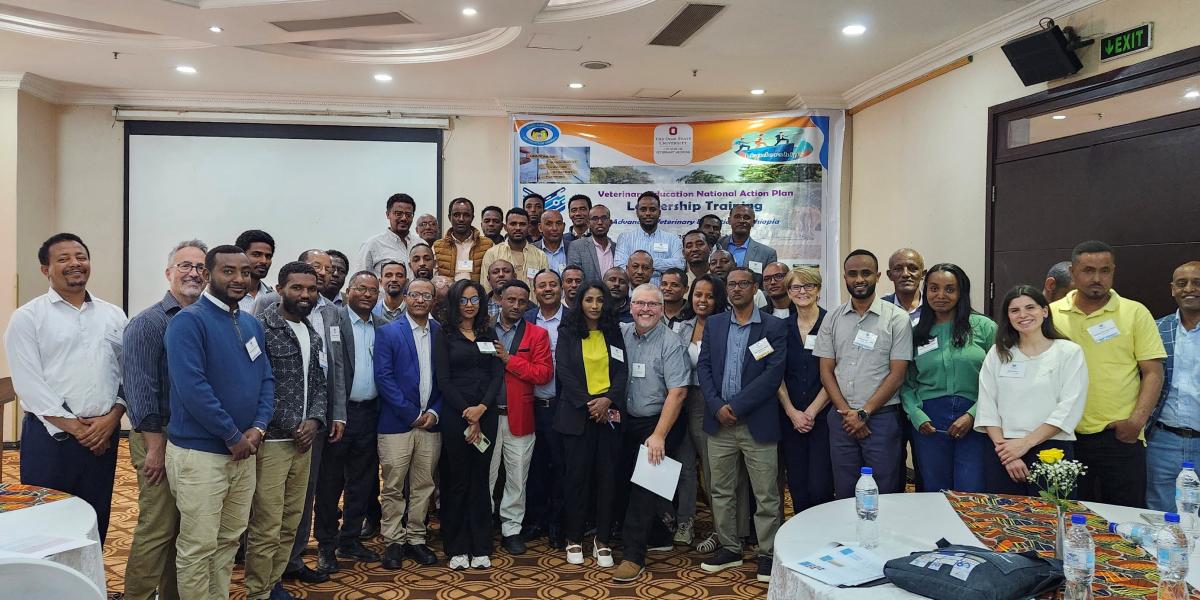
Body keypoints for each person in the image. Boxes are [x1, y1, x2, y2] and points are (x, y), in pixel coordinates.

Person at [163, 244, 274, 600]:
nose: (239, 278)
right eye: (229, 271)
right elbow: (193, 388)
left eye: (244, 272)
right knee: (198, 546)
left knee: (228, 541)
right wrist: (231, 434)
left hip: (244, 452)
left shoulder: (250, 322)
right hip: (201, 455)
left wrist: (257, 428)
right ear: (209, 275)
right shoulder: (188, 322)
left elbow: (266, 380)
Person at [5, 233, 127, 544]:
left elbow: (128, 373)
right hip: (51, 439)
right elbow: (29, 384)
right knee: (48, 522)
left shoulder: (113, 314)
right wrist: (78, 429)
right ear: (45, 269)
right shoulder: (27, 318)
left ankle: (88, 587)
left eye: (81, 257)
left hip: (105, 434)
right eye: (63, 259)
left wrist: (112, 418)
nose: (75, 264)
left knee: (95, 518)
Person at [122, 239, 208, 600]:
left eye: (201, 267)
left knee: (183, 528)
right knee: (156, 527)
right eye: (185, 265)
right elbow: (139, 391)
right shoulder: (149, 322)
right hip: (158, 437)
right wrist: (155, 447)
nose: (194, 272)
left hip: (193, 441)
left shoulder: (205, 320)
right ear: (169, 272)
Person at [1051, 240, 1165, 507]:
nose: (1097, 278)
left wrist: (1136, 423)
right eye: (1088, 270)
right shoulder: (1051, 314)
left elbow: (1153, 372)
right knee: (1068, 516)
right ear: (1073, 271)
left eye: (1105, 271)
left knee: (1126, 517)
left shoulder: (1135, 312)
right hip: (1064, 435)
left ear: (1113, 271)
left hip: (1119, 435)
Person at [698, 268, 788, 583]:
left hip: (756, 423)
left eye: (743, 284)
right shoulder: (715, 324)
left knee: (766, 494)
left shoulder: (774, 327)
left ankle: (767, 553)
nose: (737, 289)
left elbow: (773, 375)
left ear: (755, 288)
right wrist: (716, 405)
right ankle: (729, 548)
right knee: (720, 490)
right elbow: (704, 367)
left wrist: (735, 406)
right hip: (718, 423)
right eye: (732, 284)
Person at [246, 261, 329, 600]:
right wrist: (291, 423)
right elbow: (256, 386)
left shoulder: (311, 330)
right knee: (266, 521)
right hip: (273, 441)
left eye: (310, 289)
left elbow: (320, 383)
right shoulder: (261, 328)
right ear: (280, 290)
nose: (305, 294)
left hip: (304, 442)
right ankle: (258, 591)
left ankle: (274, 582)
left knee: (291, 519)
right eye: (297, 288)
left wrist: (314, 420)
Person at [814, 249, 913, 498]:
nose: (859, 279)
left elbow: (897, 374)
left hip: (881, 419)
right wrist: (849, 414)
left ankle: (885, 538)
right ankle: (850, 538)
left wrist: (864, 413)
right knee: (845, 490)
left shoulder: (897, 319)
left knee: (885, 490)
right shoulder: (832, 318)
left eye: (866, 273)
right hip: (841, 420)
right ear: (845, 277)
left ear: (878, 276)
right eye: (853, 274)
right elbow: (826, 370)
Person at [610, 284, 691, 582]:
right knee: (621, 480)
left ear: (662, 308)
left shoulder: (672, 342)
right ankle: (657, 534)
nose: (645, 309)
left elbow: (678, 393)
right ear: (630, 306)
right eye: (639, 303)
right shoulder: (621, 333)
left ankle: (633, 557)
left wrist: (658, 435)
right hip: (626, 420)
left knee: (646, 486)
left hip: (660, 422)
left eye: (652, 305)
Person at [976, 286, 1087, 495]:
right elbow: (987, 405)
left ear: (1045, 311)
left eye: (1030, 308)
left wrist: (1025, 444)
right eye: (1014, 310)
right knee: (1003, 519)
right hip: (1003, 450)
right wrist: (1009, 454)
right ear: (1008, 317)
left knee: (1048, 520)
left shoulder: (1069, 352)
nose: (1023, 315)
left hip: (1052, 448)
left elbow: (1069, 406)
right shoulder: (998, 353)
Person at [314, 271, 389, 573]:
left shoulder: (383, 327)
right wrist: (334, 413)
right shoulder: (332, 320)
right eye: (361, 288)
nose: (368, 295)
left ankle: (351, 538)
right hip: (339, 415)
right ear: (348, 291)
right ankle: (326, 544)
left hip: (371, 413)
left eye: (373, 290)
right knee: (330, 484)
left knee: (363, 481)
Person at [900, 264, 996, 493]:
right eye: (933, 288)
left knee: (971, 489)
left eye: (949, 289)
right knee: (934, 490)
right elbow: (906, 381)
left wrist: (973, 415)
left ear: (961, 292)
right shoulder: (916, 333)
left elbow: (1000, 381)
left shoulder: (984, 327)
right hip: (929, 422)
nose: (940, 296)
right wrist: (916, 415)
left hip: (975, 420)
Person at [673, 275, 749, 553]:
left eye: (708, 296)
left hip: (713, 402)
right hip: (682, 400)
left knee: (718, 471)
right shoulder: (681, 327)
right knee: (684, 466)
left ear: (719, 299)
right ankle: (686, 521)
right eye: (697, 295)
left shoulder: (728, 326)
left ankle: (725, 530)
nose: (702, 301)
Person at [555, 281, 627, 569]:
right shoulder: (567, 333)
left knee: (607, 480)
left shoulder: (614, 333)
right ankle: (573, 538)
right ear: (579, 303)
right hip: (577, 416)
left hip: (608, 417)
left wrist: (607, 400)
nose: (595, 305)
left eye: (599, 300)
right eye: (589, 300)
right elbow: (565, 372)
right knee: (577, 480)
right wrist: (590, 403)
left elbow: (622, 372)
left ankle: (603, 540)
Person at [434, 280, 504, 569]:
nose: (470, 305)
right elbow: (444, 380)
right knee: (457, 481)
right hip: (456, 415)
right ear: (454, 302)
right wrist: (467, 411)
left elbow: (496, 374)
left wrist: (482, 409)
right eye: (464, 300)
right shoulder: (445, 334)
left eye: (475, 299)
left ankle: (481, 545)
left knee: (480, 481)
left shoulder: (489, 331)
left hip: (486, 414)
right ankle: (457, 546)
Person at [374, 278, 443, 569]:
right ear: (405, 297)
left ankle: (416, 537)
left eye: (426, 295)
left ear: (433, 301)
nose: (419, 300)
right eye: (414, 294)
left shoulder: (441, 332)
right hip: (396, 424)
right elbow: (384, 377)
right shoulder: (388, 332)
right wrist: (410, 412)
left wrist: (434, 413)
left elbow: (446, 380)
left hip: (431, 424)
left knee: (423, 484)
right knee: (392, 484)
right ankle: (393, 540)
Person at [488, 280, 554, 555]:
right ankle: (482, 525)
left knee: (517, 477)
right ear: (500, 299)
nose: (516, 306)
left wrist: (509, 360)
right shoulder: (483, 329)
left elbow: (543, 374)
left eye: (521, 302)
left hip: (521, 415)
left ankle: (512, 529)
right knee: (485, 476)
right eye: (511, 299)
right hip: (486, 416)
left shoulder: (537, 335)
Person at [777, 267, 834, 514]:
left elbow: (836, 373)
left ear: (818, 289)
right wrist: (792, 412)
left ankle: (823, 541)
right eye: (796, 287)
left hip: (822, 418)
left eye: (809, 286)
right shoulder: (780, 328)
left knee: (821, 485)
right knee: (797, 485)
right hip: (790, 419)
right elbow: (775, 374)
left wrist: (810, 412)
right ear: (788, 292)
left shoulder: (831, 323)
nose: (802, 292)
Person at [1147, 261, 1200, 511]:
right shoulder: (1155, 329)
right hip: (1163, 440)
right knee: (1161, 515)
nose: (1189, 288)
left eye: (1197, 282)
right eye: (1182, 283)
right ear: (1172, 289)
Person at [523, 270, 567, 548]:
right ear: (534, 290)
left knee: (562, 468)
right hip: (530, 405)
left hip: (562, 406)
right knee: (534, 467)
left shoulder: (574, 320)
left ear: (561, 289)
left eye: (553, 284)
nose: (548, 289)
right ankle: (535, 520)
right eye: (542, 285)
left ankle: (558, 524)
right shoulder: (526, 319)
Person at [615, 191, 683, 282]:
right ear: (637, 213)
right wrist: (660, 268)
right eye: (643, 209)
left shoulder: (673, 239)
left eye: (652, 209)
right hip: (633, 295)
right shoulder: (625, 238)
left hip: (662, 295)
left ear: (659, 213)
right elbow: (620, 267)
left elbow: (679, 265)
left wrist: (644, 263)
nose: (648, 213)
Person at [481, 207, 549, 292]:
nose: (518, 228)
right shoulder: (492, 253)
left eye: (522, 224)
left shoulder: (540, 255)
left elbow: (544, 286)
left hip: (533, 305)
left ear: (528, 227)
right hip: (501, 305)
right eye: (513, 224)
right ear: (505, 227)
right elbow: (486, 287)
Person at [432, 197, 493, 282]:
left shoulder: (487, 245)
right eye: (456, 215)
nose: (461, 219)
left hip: (477, 293)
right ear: (449, 217)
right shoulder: (437, 246)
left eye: (466, 215)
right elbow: (434, 279)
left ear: (472, 218)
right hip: (449, 293)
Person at [359, 193, 419, 274]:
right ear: (388, 214)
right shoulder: (372, 245)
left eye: (408, 215)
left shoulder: (420, 243)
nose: (404, 218)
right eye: (398, 214)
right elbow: (361, 278)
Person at [716, 205, 777, 274]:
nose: (742, 221)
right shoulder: (716, 245)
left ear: (753, 222)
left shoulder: (767, 254)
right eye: (737, 217)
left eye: (746, 217)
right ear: (729, 220)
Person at [567, 204, 617, 283]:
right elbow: (575, 280)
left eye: (604, 218)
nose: (600, 222)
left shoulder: (616, 248)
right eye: (595, 219)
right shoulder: (576, 246)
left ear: (610, 222)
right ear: (588, 223)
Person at [235, 229, 276, 313]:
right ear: (240, 255)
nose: (264, 261)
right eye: (256, 255)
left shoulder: (274, 298)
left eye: (268, 256)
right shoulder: (225, 294)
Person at [882, 248, 925, 324]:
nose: (905, 274)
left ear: (923, 274)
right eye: (898, 269)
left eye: (912, 269)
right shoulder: (880, 307)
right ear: (890, 275)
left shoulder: (934, 307)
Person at [537, 209, 568, 274]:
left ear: (564, 226)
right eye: (549, 224)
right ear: (540, 227)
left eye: (558, 223)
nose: (554, 228)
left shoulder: (573, 248)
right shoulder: (532, 249)